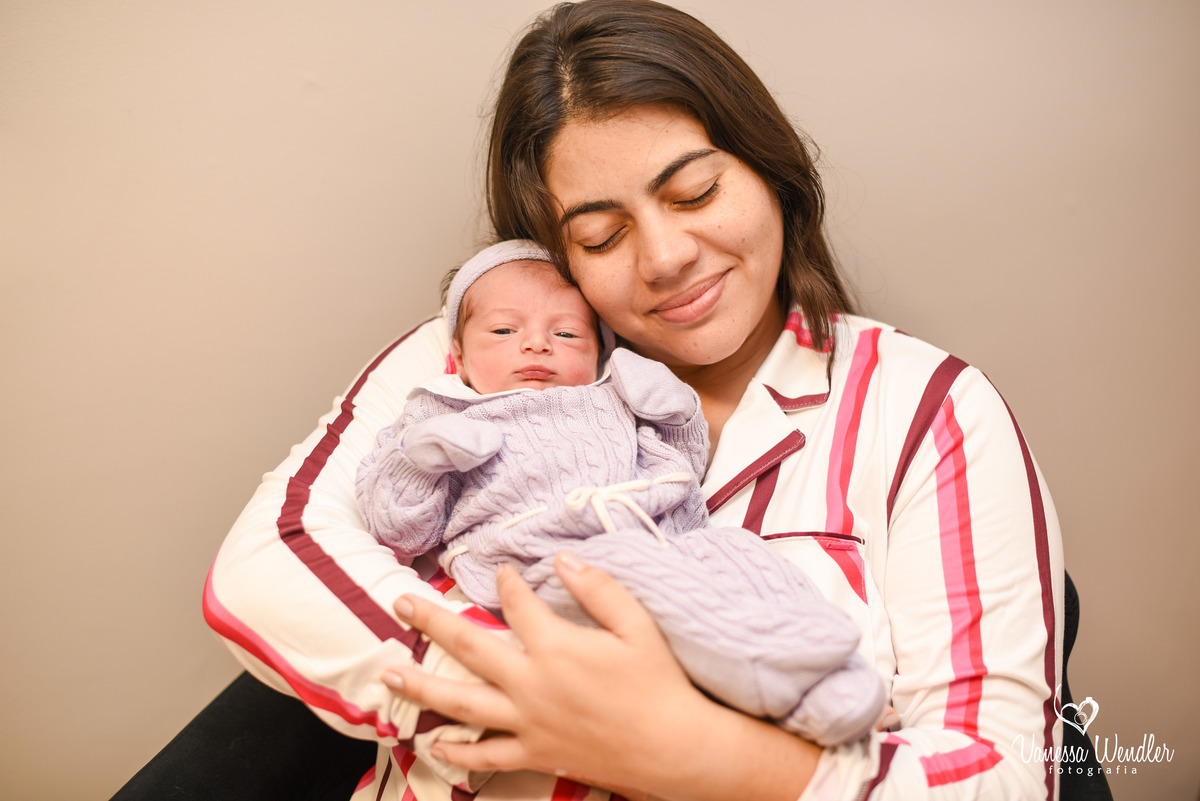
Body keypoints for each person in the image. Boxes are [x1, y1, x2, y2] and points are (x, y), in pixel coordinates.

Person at [203, 1, 1065, 799]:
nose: (664, 256)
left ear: (769, 170)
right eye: (601, 234)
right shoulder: (479, 357)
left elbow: (1007, 776)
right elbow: (267, 563)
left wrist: (694, 748)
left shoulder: (924, 408)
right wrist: (544, 699)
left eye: (696, 193)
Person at [355, 240, 886, 761]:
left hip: (655, 538)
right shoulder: (443, 409)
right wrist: (421, 460)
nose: (537, 344)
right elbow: (400, 531)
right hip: (543, 562)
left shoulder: (609, 399)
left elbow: (682, 467)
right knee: (660, 590)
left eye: (566, 333)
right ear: (459, 356)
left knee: (741, 554)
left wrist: (672, 409)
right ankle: (787, 699)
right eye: (503, 330)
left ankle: (834, 670)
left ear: (598, 354)